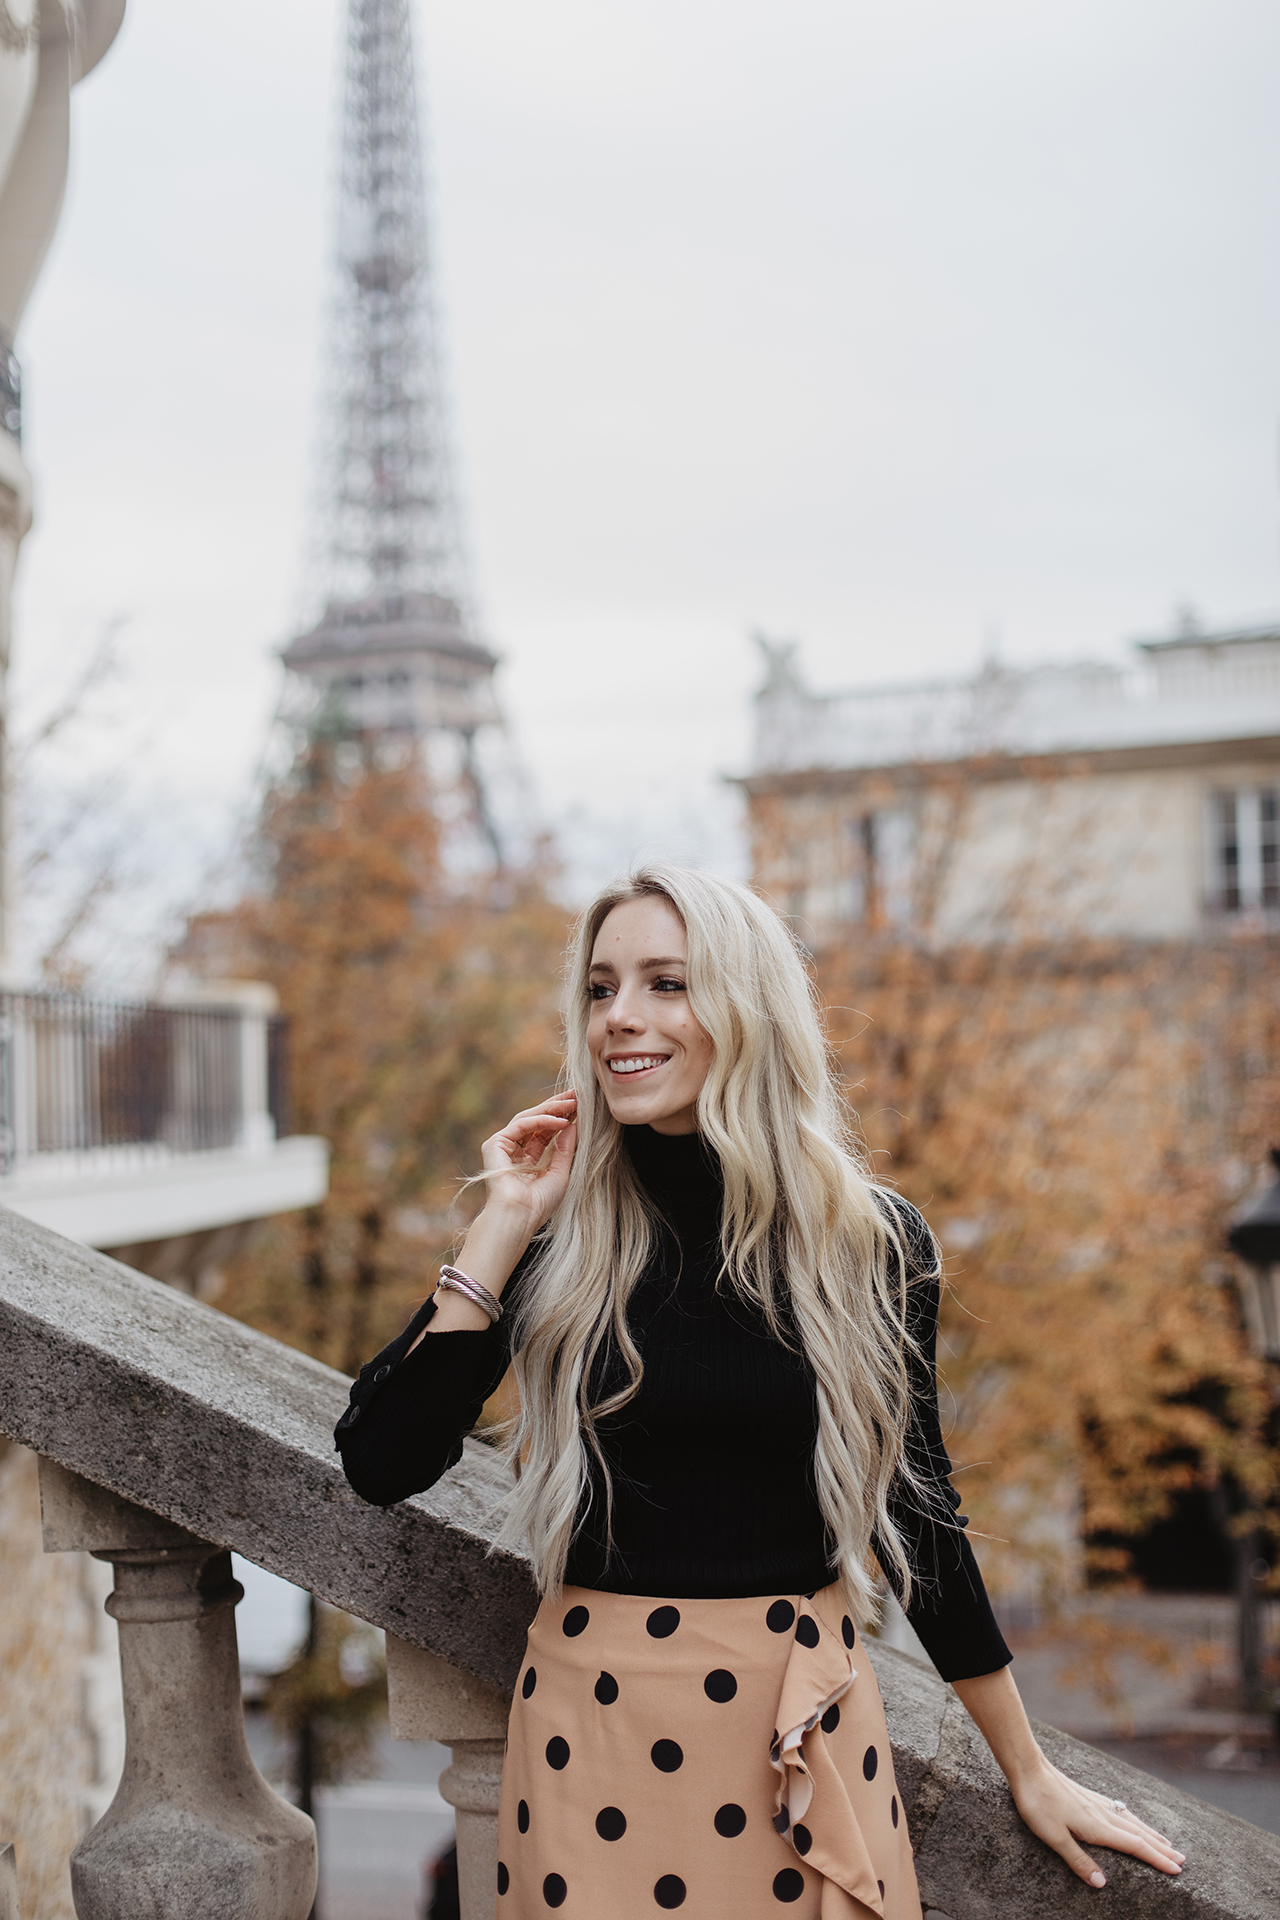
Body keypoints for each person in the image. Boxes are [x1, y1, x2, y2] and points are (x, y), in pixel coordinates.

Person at [336, 866, 1184, 1918]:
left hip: (798, 1721)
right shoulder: (563, 1235)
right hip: (591, 1733)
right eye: (599, 990)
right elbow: (380, 1460)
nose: (621, 1020)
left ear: (745, 1007)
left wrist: (1027, 1767)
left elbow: (914, 1513)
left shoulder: (862, 1243)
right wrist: (499, 1225)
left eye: (665, 983)